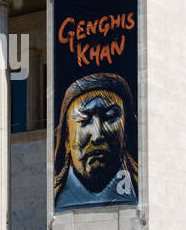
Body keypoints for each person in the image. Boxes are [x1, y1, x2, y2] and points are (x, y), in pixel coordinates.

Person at [52, 72, 139, 210]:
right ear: (66, 139)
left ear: (126, 131)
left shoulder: (142, 188)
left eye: (110, 116)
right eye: (84, 120)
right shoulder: (54, 198)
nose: (97, 136)